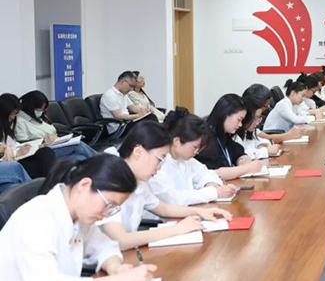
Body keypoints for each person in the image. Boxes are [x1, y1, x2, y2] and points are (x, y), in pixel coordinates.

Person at [0, 155, 156, 281]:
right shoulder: (36, 218)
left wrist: (115, 267)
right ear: (84, 185)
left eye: (113, 209)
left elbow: (104, 245)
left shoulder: (78, 215)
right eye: (108, 204)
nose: (106, 214)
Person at [99, 123, 231, 251]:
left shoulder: (137, 180)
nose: (159, 168)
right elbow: (121, 240)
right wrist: (176, 230)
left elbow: (163, 209)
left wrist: (200, 212)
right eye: (159, 159)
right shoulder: (108, 179)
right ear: (138, 151)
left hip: (127, 253)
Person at [149, 109, 239, 205]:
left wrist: (212, 185)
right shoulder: (158, 164)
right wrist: (214, 193)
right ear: (177, 141)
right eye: (195, 147)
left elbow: (207, 174)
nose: (197, 152)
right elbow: (174, 198)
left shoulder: (186, 160)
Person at [196, 94, 266, 179]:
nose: (240, 124)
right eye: (239, 120)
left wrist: (243, 160)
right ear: (225, 115)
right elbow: (214, 173)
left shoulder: (223, 134)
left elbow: (238, 152)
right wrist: (246, 168)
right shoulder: (206, 140)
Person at [15, 91, 98, 161]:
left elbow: (53, 130)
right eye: (39, 109)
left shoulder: (41, 117)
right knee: (77, 145)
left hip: (55, 145)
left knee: (80, 157)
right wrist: (43, 141)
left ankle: (100, 165)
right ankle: (102, 161)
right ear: (30, 107)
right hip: (42, 152)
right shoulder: (20, 122)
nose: (41, 112)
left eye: (43, 109)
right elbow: (24, 145)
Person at [0, 93, 59, 179]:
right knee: (39, 167)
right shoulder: (18, 122)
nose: (13, 117)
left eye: (15, 114)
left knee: (46, 152)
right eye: (12, 114)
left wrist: (28, 147)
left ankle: (50, 180)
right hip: (8, 163)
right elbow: (5, 150)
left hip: (17, 158)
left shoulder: (7, 127)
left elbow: (13, 144)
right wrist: (12, 151)